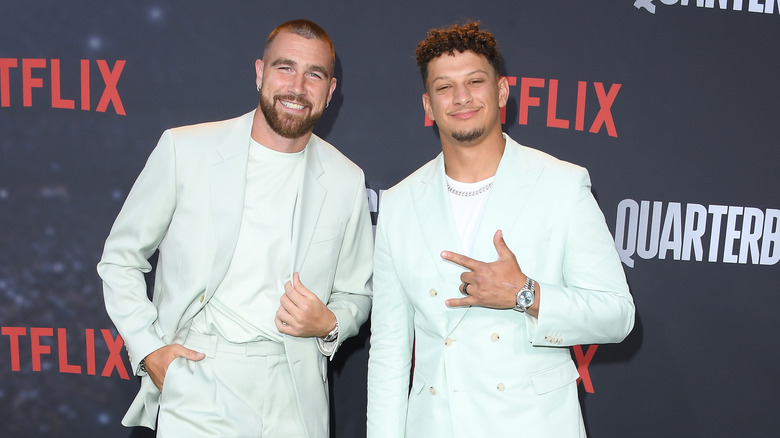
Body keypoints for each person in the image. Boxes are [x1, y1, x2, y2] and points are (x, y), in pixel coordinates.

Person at [97, 19, 373, 437]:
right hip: (199, 375)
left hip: (295, 387)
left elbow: (358, 291)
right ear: (260, 72)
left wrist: (331, 322)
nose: (297, 86)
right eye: (285, 68)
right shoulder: (185, 149)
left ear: (330, 90)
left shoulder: (346, 179)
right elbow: (120, 259)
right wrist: (149, 349)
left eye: (314, 74)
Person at [367, 22, 635, 438]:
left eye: (475, 81)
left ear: (502, 91)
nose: (461, 98)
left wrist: (525, 294)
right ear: (427, 105)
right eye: (444, 87)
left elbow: (617, 315)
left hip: (533, 425)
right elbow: (388, 352)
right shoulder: (400, 203)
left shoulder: (561, 184)